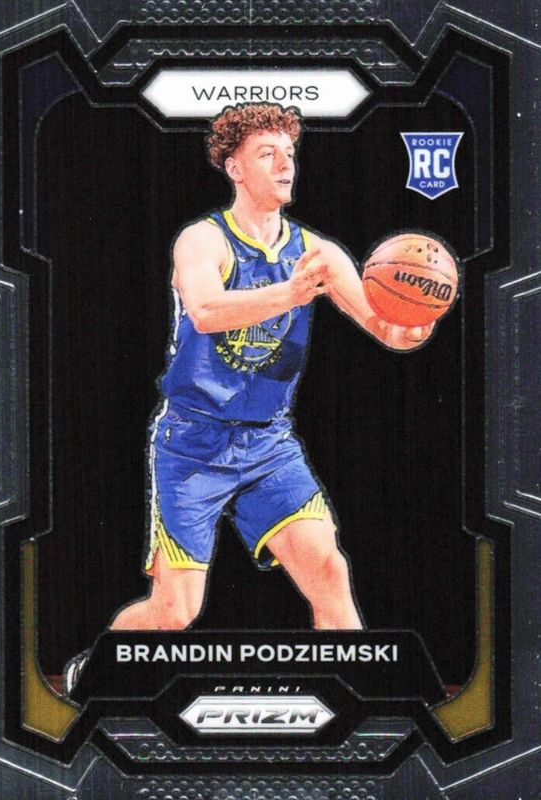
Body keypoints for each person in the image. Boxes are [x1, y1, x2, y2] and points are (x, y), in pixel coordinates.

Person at [64, 102, 433, 692]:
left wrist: (413, 321)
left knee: (328, 570)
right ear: (234, 167)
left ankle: (363, 698)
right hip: (193, 444)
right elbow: (207, 312)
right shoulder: (202, 240)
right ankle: (96, 667)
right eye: (267, 154)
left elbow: (381, 326)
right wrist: (290, 293)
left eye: (289, 153)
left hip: (269, 444)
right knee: (176, 611)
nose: (285, 165)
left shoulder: (317, 252)